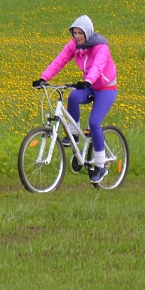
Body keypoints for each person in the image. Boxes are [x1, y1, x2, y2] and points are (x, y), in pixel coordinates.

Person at [32, 15, 117, 184]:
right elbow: (60, 60)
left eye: (80, 33)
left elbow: (98, 66)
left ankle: (100, 166)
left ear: (88, 32)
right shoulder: (74, 45)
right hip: (90, 85)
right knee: (72, 97)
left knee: (94, 123)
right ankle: (73, 135)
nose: (77, 36)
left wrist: (88, 81)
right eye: (75, 33)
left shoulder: (101, 47)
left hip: (106, 88)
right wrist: (44, 78)